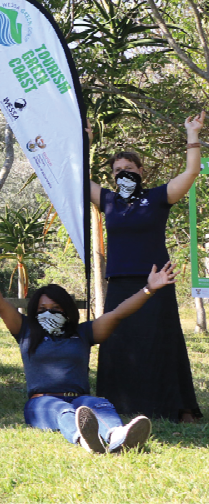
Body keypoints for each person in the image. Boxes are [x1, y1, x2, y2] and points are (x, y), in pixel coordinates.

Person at [0, 247, 171, 452]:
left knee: (97, 404)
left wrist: (149, 290)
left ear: (67, 310)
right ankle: (85, 440)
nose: (48, 313)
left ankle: (117, 436)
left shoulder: (83, 333)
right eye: (42, 309)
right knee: (62, 410)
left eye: (55, 308)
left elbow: (117, 314)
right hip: (41, 403)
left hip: (80, 399)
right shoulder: (25, 330)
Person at [88, 113, 204, 423]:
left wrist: (192, 133)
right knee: (118, 344)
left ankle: (178, 408)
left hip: (156, 282)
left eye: (129, 169)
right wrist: (85, 144)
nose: (122, 174)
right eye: (116, 171)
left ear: (141, 171)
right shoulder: (108, 200)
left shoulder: (158, 197)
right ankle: (119, 405)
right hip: (120, 283)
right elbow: (77, 179)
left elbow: (192, 171)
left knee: (163, 344)